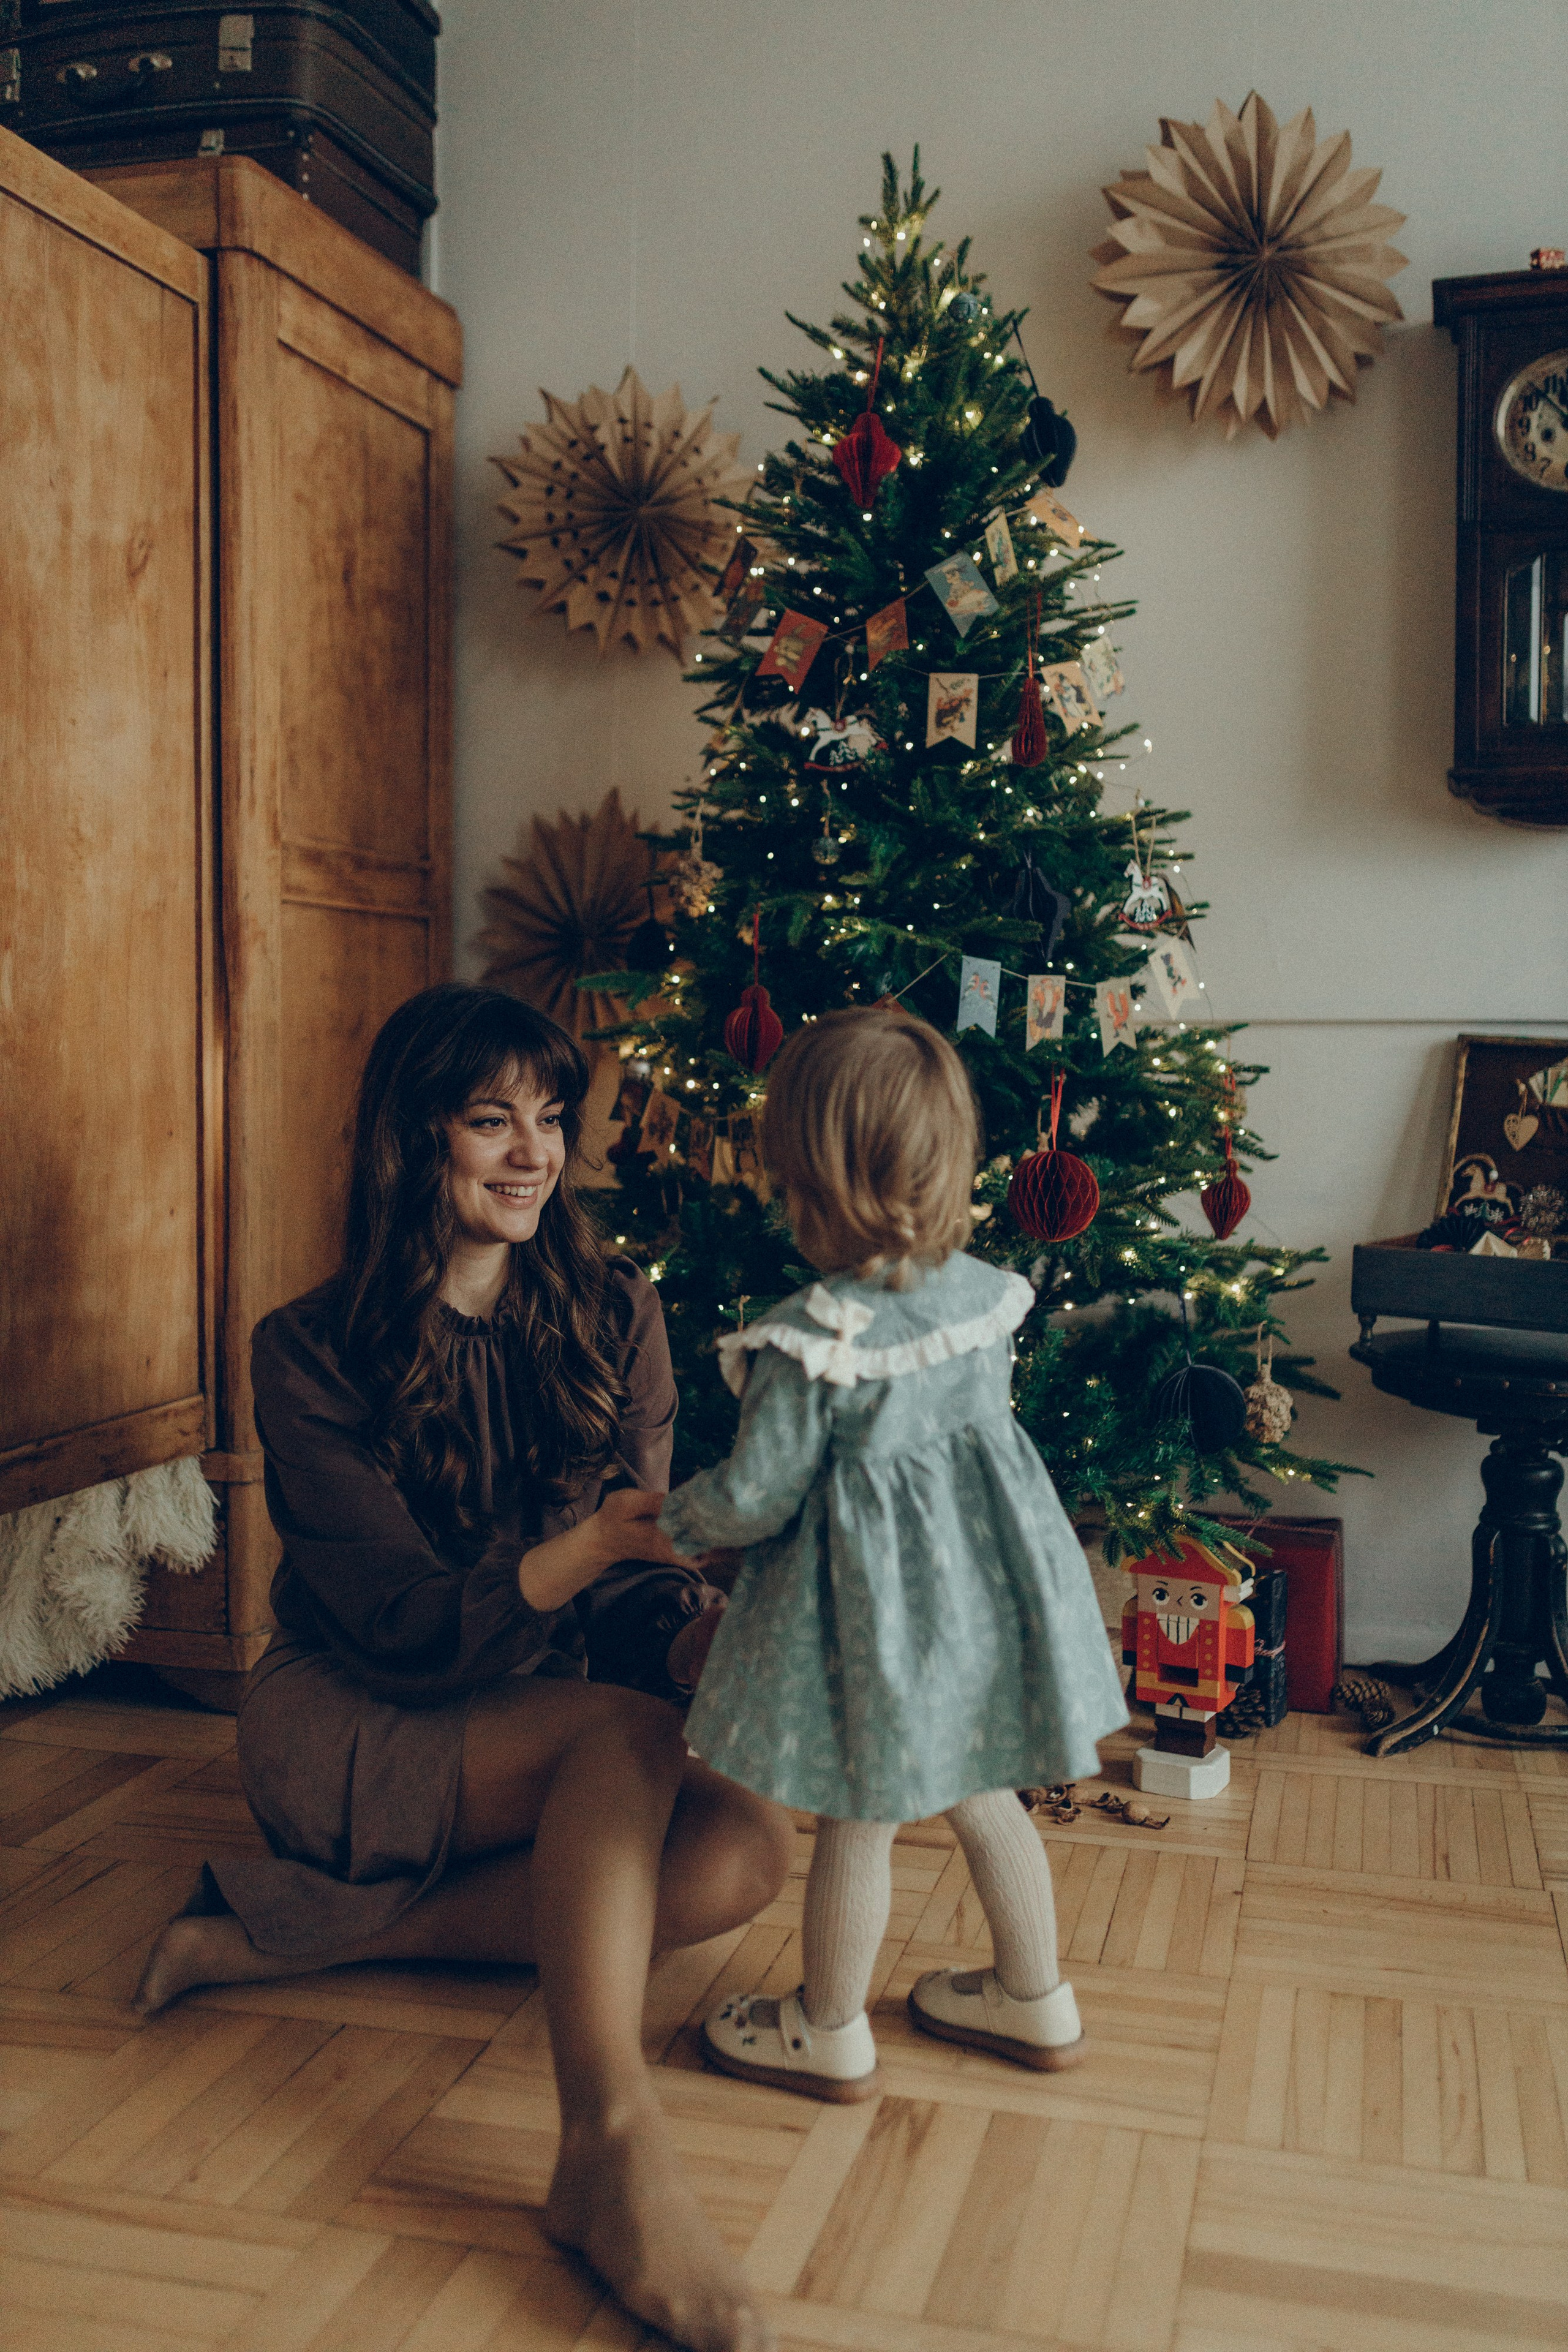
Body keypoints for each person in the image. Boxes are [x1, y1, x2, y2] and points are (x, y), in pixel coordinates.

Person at [134, 983, 790, 2352]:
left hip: (536, 1709)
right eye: (491, 1120)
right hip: (349, 1716)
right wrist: (578, 1562)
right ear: (411, 1142)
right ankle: (606, 2144)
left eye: (550, 1120)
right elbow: (396, 1629)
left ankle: (291, 1936)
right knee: (623, 1746)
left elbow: (636, 1580)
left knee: (740, 1857)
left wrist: (694, 1632)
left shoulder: (616, 1310)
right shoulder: (306, 1350)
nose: (532, 1153)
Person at [658, 1007, 1128, 2101]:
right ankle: (1035, 1995)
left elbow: (756, 1497)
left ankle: (825, 2026)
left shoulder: (815, 1334)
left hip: (875, 1618)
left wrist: (675, 1524)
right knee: (981, 1791)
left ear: (816, 1183)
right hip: (980, 1598)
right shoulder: (982, 1296)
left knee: (861, 1815)